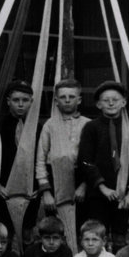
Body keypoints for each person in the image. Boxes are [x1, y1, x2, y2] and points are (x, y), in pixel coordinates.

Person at [78, 80, 129, 249]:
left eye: (115, 99)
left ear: (124, 102)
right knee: (98, 235)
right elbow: (85, 161)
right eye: (106, 100)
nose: (111, 103)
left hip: (122, 195)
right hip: (98, 194)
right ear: (99, 104)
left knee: (120, 237)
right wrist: (102, 187)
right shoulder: (91, 127)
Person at [0, 79, 39, 249]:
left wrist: (36, 185)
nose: (21, 105)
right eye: (16, 100)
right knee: (6, 232)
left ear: (31, 101)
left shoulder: (37, 127)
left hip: (30, 188)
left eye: (25, 100)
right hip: (6, 188)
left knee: (27, 232)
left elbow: (41, 158)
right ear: (8, 101)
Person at [36, 78, 90, 238]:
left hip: (81, 180)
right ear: (56, 100)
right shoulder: (50, 125)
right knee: (55, 230)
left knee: (81, 229)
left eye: (72, 97)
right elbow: (40, 160)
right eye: (63, 97)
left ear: (79, 99)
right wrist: (46, 192)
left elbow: (93, 159)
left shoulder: (88, 124)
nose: (67, 100)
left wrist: (84, 185)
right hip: (55, 180)